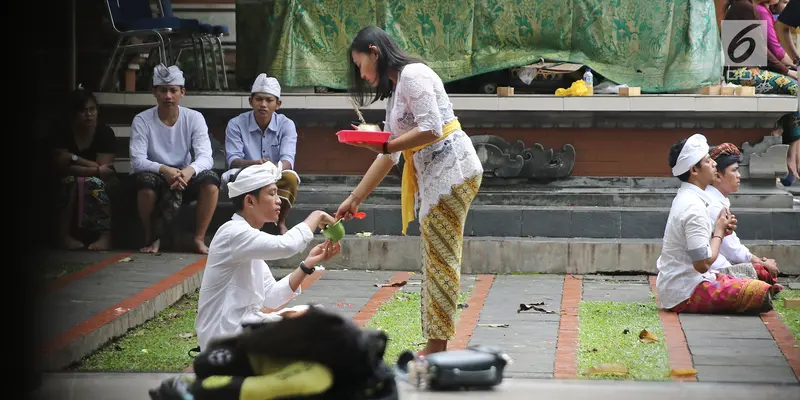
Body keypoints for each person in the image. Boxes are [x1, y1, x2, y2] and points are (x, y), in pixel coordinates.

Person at [335, 26, 484, 355]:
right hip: (438, 178)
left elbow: (430, 128)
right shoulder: (396, 90)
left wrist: (383, 141)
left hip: (452, 173)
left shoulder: (413, 74)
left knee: (440, 261)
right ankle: (436, 342)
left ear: (375, 52)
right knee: (435, 260)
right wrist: (354, 198)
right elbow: (390, 154)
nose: (361, 73)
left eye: (360, 64)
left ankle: (437, 345)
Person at [194, 161, 340, 351]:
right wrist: (317, 216)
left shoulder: (246, 236)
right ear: (250, 201)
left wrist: (306, 265)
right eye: (272, 193)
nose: (279, 200)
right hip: (223, 335)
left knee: (316, 315)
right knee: (313, 325)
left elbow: (272, 296)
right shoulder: (233, 232)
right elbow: (287, 245)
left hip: (244, 327)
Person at [656, 134, 775, 315]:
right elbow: (702, 265)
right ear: (694, 170)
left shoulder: (692, 198)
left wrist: (721, 231)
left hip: (690, 282)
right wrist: (719, 231)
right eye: (707, 160)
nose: (713, 163)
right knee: (760, 292)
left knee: (761, 280)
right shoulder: (693, 207)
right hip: (686, 290)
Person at [129, 64, 220, 254]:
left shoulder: (194, 118)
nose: (168, 96)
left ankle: (199, 238)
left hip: (184, 176)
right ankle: (150, 237)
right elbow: (137, 161)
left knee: (211, 181)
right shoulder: (142, 119)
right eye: (163, 90)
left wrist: (187, 172)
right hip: (156, 174)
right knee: (145, 183)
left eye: (173, 90)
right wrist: (165, 170)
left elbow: (206, 157)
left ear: (182, 92)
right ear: (155, 92)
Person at [222, 73, 300, 234]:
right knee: (233, 177)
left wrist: (272, 169)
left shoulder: (286, 125)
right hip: (245, 173)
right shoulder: (236, 124)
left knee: (291, 177)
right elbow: (233, 160)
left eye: (269, 100)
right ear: (251, 101)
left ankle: (280, 222)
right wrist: (256, 164)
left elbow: (288, 160)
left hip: (274, 173)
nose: (263, 104)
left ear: (277, 104)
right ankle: (247, 224)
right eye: (259, 99)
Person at [704, 143, 782, 293]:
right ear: (718, 175)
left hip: (716, 264)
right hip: (711, 269)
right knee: (764, 274)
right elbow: (732, 249)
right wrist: (759, 263)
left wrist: (757, 262)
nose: (739, 176)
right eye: (734, 171)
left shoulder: (718, 200)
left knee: (762, 273)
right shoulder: (714, 206)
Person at [52, 87, 118, 251]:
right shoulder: (62, 131)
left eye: (92, 109)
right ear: (73, 114)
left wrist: (73, 159)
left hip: (104, 179)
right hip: (69, 178)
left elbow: (103, 169)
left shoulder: (104, 133)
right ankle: (63, 237)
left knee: (94, 183)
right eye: (83, 111)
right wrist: (91, 167)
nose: (89, 114)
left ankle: (105, 238)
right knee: (68, 182)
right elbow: (60, 165)